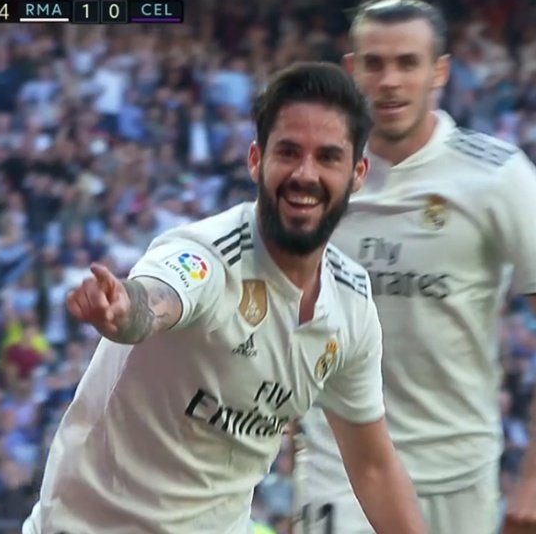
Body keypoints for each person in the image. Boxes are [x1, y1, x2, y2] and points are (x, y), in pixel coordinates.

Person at [22, 62, 427, 534]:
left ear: (357, 172)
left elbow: (373, 468)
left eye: (328, 157)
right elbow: (156, 299)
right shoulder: (209, 256)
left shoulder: (351, 305)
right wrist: (124, 310)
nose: (304, 174)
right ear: (257, 159)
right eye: (289, 152)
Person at [293, 0, 536, 534]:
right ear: (351, 70)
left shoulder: (497, 177)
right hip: (342, 466)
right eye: (376, 64)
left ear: (440, 71)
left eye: (408, 63)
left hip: (458, 469)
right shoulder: (318, 176)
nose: (390, 81)